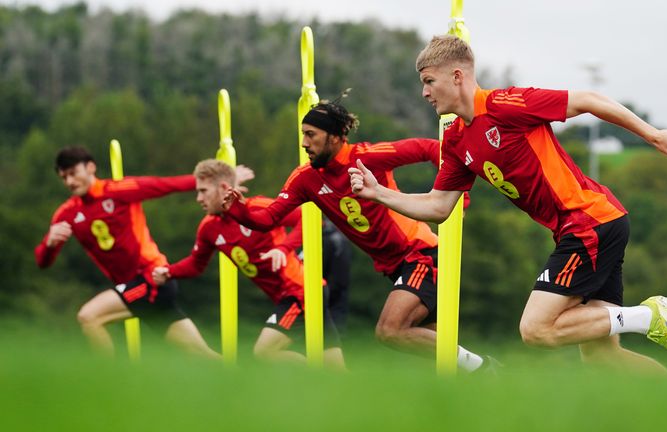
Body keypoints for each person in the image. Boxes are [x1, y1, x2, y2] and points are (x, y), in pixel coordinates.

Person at [348, 35, 667, 377]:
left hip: (589, 221)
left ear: (457, 76)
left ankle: (647, 317)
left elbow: (588, 99)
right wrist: (379, 193)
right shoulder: (455, 140)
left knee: (536, 329)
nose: (424, 92)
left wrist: (653, 134)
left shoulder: (504, 104)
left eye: (428, 81)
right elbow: (439, 206)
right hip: (589, 226)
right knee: (603, 356)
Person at [223, 100, 489, 372]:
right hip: (396, 268)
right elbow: (266, 218)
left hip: (420, 254)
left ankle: (482, 368)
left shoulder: (367, 157)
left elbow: (431, 148)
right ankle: (483, 378)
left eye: (311, 134)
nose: (304, 142)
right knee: (437, 358)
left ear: (336, 137)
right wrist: (236, 209)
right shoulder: (305, 179)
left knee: (390, 330)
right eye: (302, 134)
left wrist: (457, 197)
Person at [152, 159, 345, 368]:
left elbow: (309, 218)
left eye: (203, 191)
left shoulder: (257, 207)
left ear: (223, 188)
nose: (199, 198)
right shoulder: (208, 228)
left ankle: (317, 379)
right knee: (335, 368)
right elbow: (196, 264)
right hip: (295, 294)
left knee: (264, 352)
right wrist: (168, 272)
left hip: (300, 291)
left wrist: (283, 248)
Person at [35, 146, 219, 359]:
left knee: (89, 316)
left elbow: (166, 185)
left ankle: (111, 385)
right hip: (136, 288)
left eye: (73, 173)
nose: (69, 182)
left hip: (152, 278)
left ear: (91, 167)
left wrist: (217, 181)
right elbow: (42, 262)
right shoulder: (66, 213)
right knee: (202, 354)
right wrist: (49, 243)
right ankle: (236, 377)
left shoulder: (117, 190)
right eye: (64, 177)